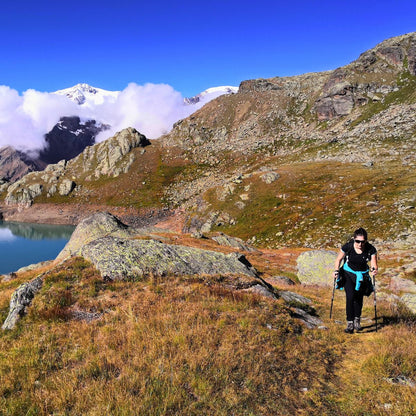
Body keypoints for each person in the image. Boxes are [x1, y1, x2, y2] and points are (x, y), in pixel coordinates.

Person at [333, 227, 378, 333]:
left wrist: (374, 269)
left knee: (358, 298)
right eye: (357, 241)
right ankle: (350, 323)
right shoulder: (348, 246)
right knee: (350, 296)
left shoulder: (371, 249)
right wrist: (336, 270)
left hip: (362, 276)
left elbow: (373, 263)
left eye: (363, 242)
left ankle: (357, 320)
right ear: (354, 239)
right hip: (348, 273)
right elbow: (338, 259)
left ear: (366, 241)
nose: (360, 244)